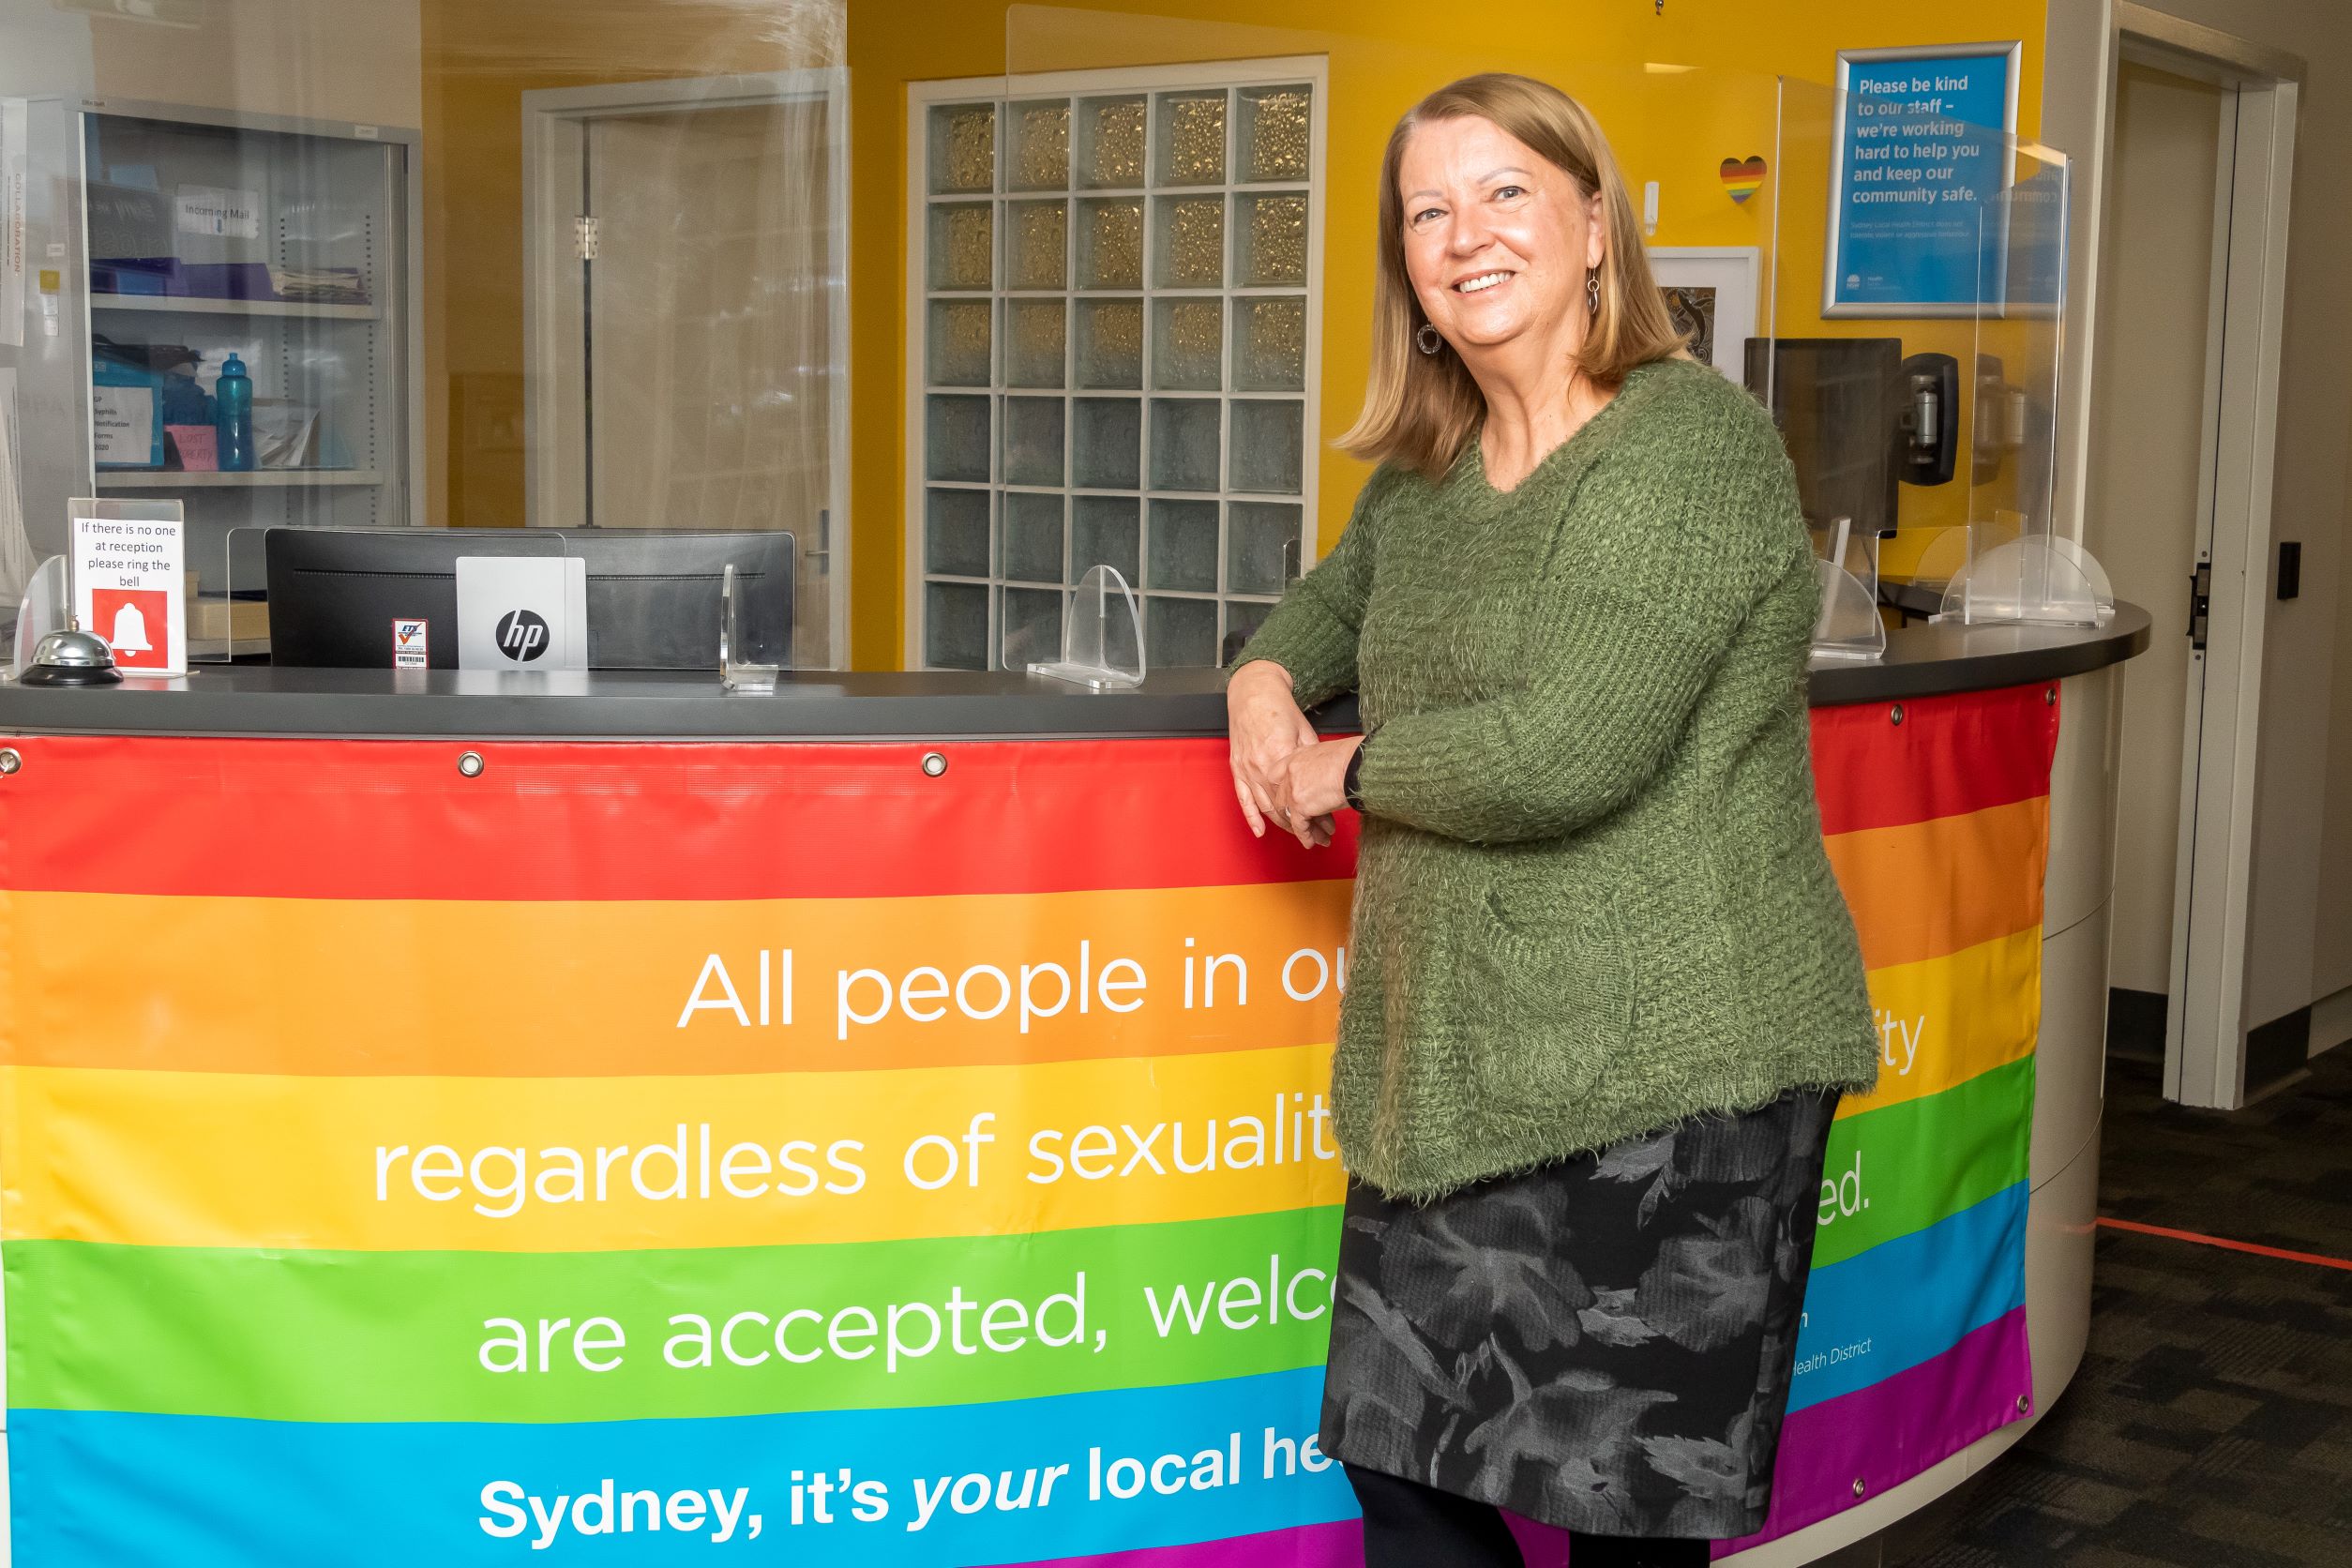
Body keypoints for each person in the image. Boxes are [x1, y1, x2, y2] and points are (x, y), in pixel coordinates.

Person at [1223, 73, 1880, 1568]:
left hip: (1675, 1067)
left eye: (1506, 192)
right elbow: (1323, 611)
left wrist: (1343, 771)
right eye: (1427, 211)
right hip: (1456, 1060)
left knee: (1623, 1523)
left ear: (1595, 223)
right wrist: (1265, 685)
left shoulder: (1686, 447)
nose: (1465, 237)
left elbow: (1567, 748)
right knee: (1406, 1472)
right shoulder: (1435, 466)